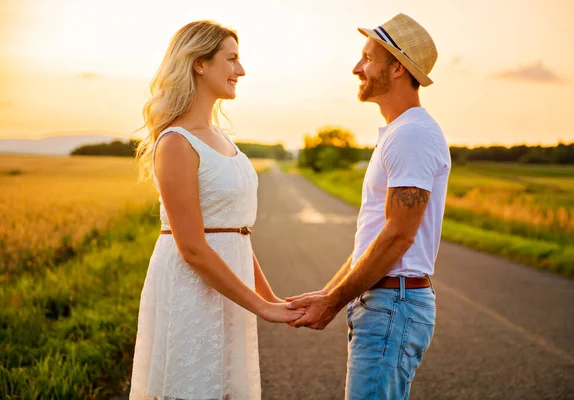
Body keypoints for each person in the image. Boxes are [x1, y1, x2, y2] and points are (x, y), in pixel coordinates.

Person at [129, 20, 305, 400]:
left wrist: (273, 299)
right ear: (200, 64)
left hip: (228, 290)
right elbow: (191, 246)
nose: (241, 71)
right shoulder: (176, 142)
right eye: (232, 59)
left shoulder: (224, 138)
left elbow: (235, 231)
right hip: (191, 290)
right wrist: (261, 307)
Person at [286, 13, 451, 399]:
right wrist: (329, 293)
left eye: (367, 58)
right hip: (386, 303)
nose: (356, 68)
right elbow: (376, 238)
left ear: (396, 67)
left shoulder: (412, 134)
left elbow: (398, 236)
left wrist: (334, 301)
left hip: (393, 304)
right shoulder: (400, 132)